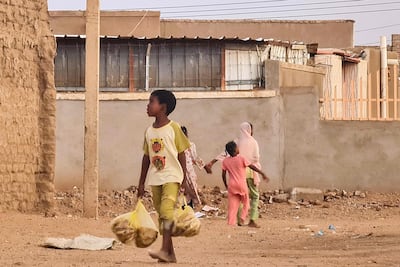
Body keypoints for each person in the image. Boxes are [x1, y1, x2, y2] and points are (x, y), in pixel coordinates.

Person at [137, 89, 190, 263]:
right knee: (162, 215)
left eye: (151, 101)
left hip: (172, 176)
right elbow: (146, 157)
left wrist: (185, 179)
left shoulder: (173, 128)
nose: (148, 105)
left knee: (167, 211)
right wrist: (141, 183)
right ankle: (170, 254)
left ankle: (163, 250)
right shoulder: (149, 131)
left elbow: (182, 153)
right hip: (156, 178)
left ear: (163, 107)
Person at [205, 122, 267, 228]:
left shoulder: (236, 142)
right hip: (250, 171)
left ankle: (240, 220)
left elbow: (225, 154)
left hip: (237, 174)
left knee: (238, 198)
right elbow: (256, 158)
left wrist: (212, 162)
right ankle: (252, 219)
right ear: (249, 130)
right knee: (254, 196)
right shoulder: (253, 142)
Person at [222, 141, 268, 226]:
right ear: (235, 150)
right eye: (237, 147)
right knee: (246, 202)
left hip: (232, 185)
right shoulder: (242, 159)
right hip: (241, 185)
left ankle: (231, 222)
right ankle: (243, 218)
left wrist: (226, 185)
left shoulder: (225, 161)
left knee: (232, 205)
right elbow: (252, 167)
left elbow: (223, 175)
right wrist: (262, 173)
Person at [181, 126, 205, 208]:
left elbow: (195, 158)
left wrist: (204, 166)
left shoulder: (189, 145)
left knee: (189, 188)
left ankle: (189, 205)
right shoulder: (178, 146)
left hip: (186, 170)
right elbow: (195, 158)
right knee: (187, 189)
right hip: (184, 170)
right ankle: (187, 205)